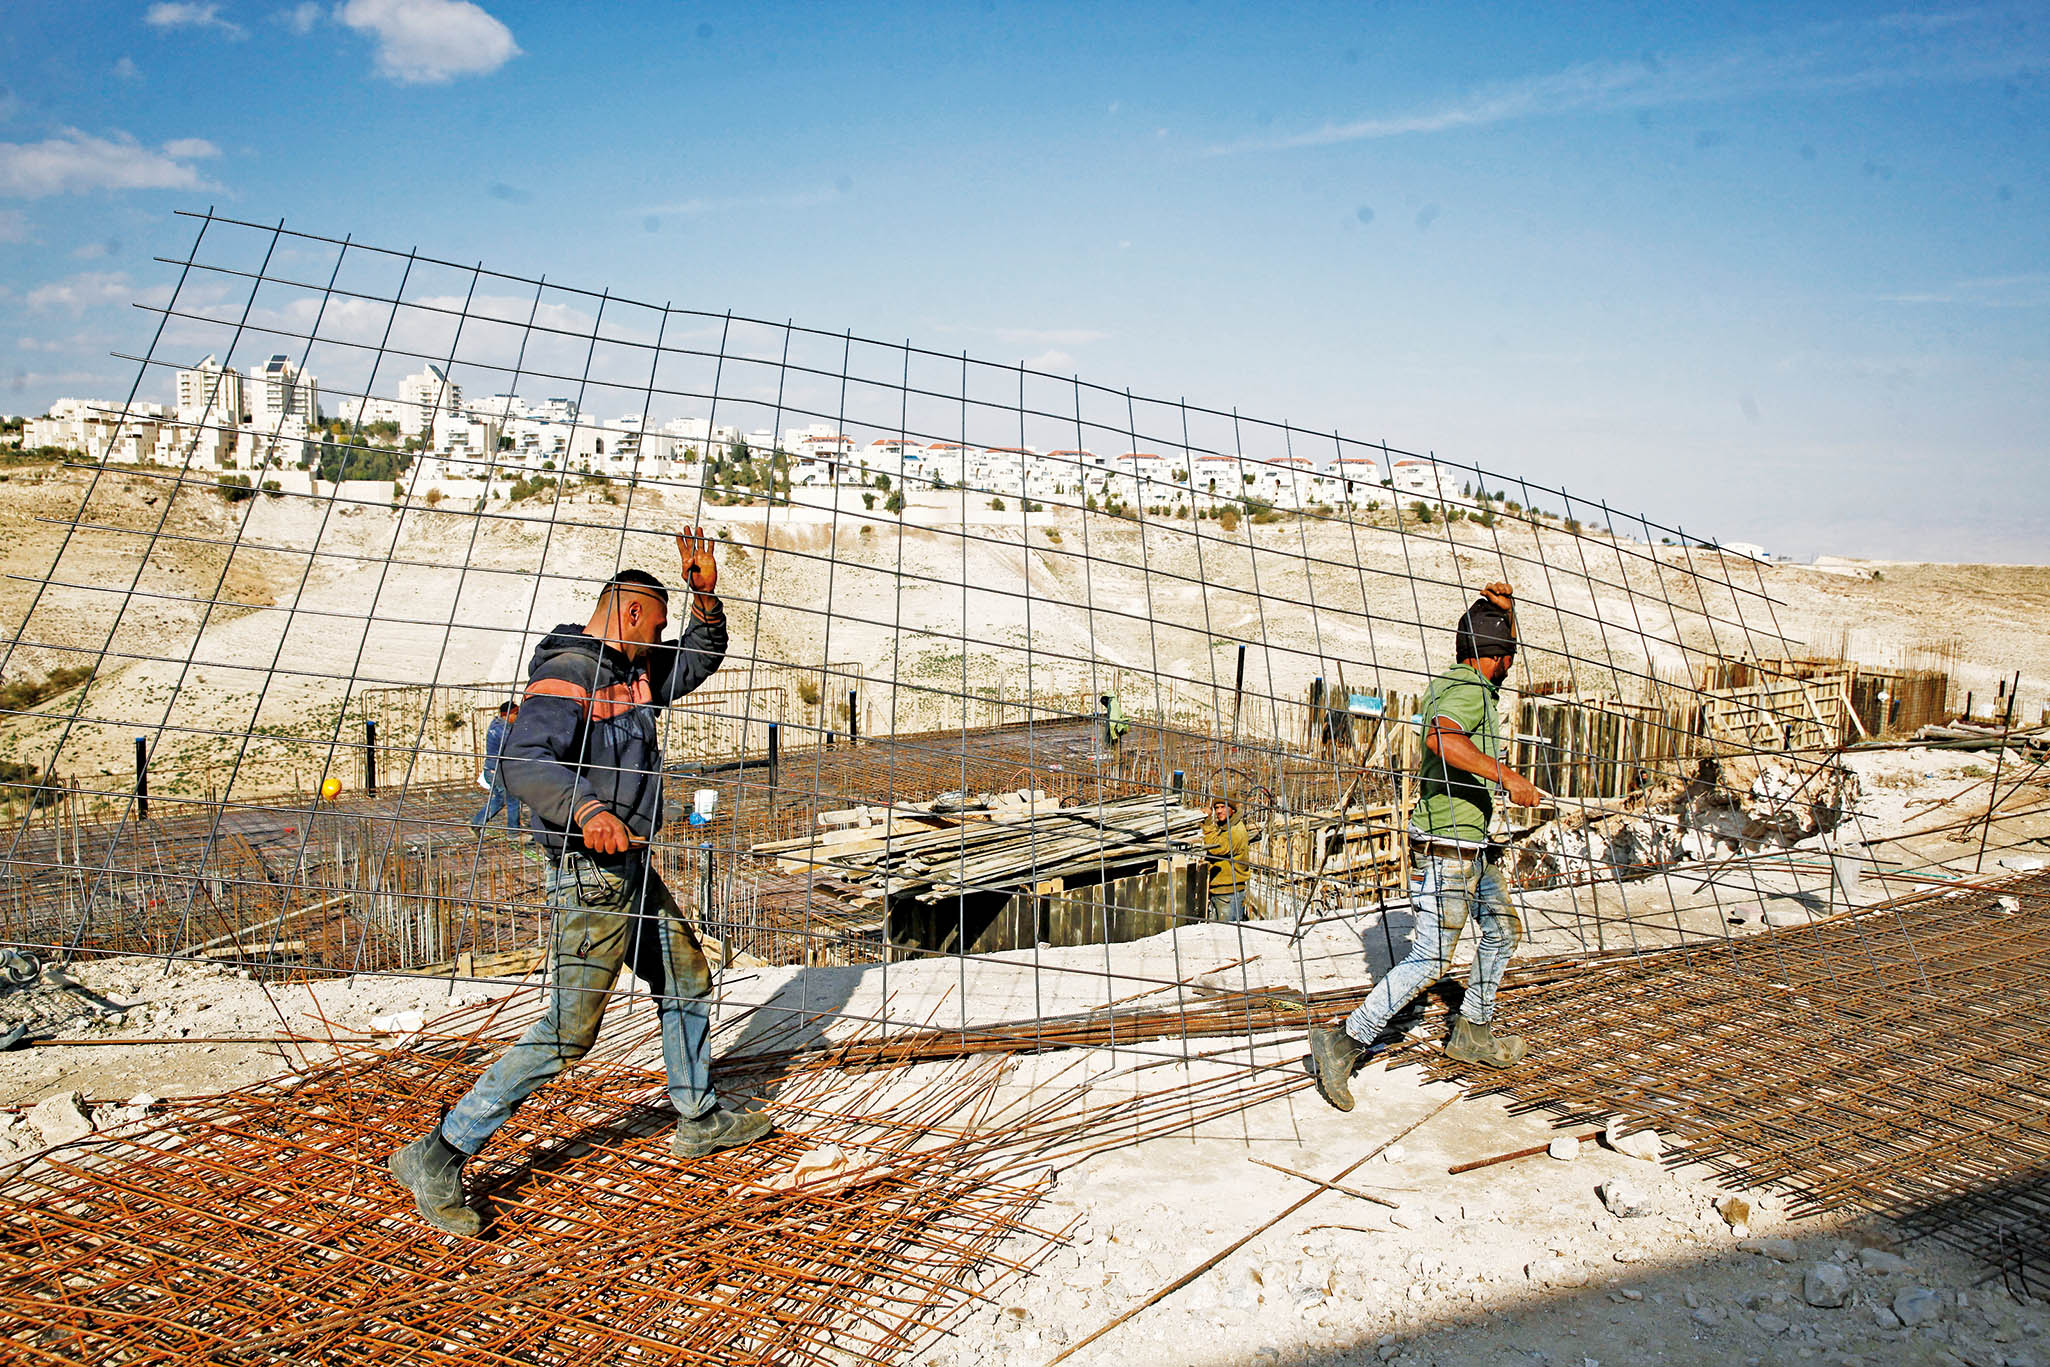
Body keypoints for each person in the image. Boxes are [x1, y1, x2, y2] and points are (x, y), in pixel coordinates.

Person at [390, 527, 769, 1237]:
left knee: (685, 978)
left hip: (628, 867)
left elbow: (698, 659)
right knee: (568, 1032)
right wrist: (588, 808)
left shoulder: (632, 673)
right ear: (628, 615)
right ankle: (439, 1153)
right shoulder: (567, 674)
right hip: (590, 876)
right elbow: (524, 762)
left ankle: (698, 1116)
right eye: (654, 624)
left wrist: (704, 599)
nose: (659, 638)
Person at [1307, 582, 1547, 1111]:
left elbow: (1486, 648)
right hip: (1448, 847)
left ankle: (1472, 1031)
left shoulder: (1468, 681)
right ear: (1495, 658)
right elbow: (1442, 738)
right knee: (1431, 958)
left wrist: (1503, 612)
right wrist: (1505, 776)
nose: (1513, 663)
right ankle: (1343, 1042)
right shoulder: (1463, 691)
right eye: (1510, 653)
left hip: (1471, 842)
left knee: (1502, 931)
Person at [467, 701, 523, 831]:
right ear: (507, 715)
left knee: (499, 800)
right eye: (516, 714)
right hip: (497, 772)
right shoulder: (503, 731)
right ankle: (513, 833)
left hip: (491, 770)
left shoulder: (496, 724)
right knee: (513, 800)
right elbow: (514, 749)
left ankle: (476, 823)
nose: (518, 716)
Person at [1202, 795, 1251, 922]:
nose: (1218, 811)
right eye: (1216, 807)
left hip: (1229, 893)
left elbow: (1216, 848)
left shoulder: (1236, 831)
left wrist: (1207, 823)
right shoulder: (1225, 827)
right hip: (1220, 891)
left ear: (1232, 809)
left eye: (1223, 807)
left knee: (1229, 935)